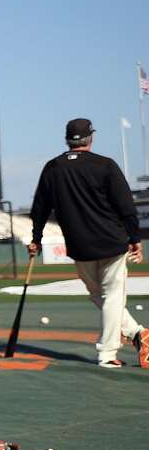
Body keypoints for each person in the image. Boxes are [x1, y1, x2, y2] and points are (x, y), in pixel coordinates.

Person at [29, 118, 149, 368]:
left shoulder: (53, 167)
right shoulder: (104, 165)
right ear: (90, 138)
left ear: (67, 139)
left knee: (99, 295)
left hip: (79, 247)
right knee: (111, 296)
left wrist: (36, 238)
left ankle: (136, 334)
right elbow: (125, 205)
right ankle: (114, 349)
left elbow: (39, 208)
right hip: (111, 242)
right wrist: (135, 238)